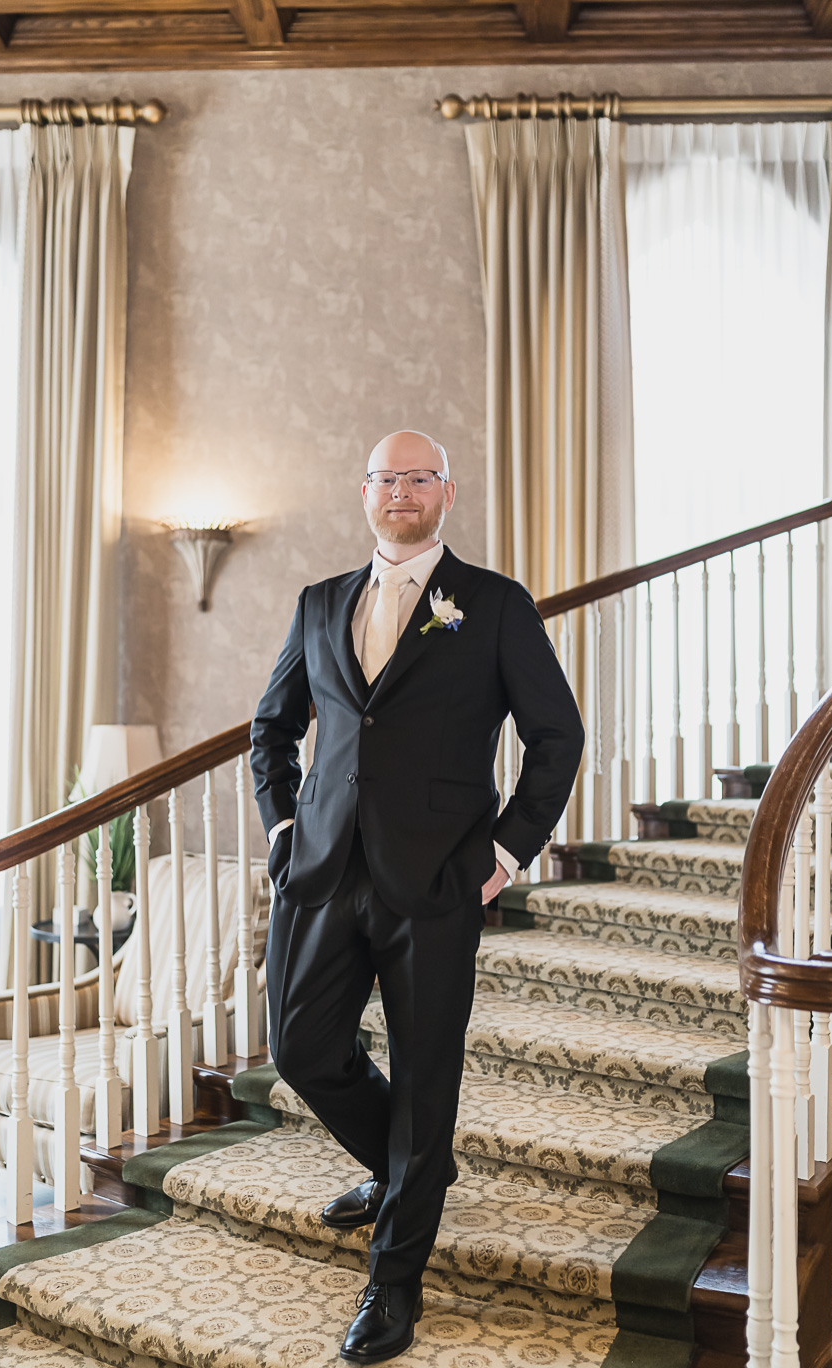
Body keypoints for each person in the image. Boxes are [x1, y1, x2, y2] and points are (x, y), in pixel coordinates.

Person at [250, 429, 584, 1364]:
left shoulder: (493, 605)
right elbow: (271, 731)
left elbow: (556, 737)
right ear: (364, 492)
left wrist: (509, 852)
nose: (402, 491)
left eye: (419, 477)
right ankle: (405, 1175)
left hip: (437, 878)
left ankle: (394, 1284)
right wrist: (283, 829)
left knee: (426, 1076)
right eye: (386, 478)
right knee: (301, 1049)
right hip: (319, 871)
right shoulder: (319, 604)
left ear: (447, 491)